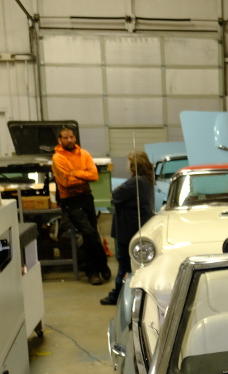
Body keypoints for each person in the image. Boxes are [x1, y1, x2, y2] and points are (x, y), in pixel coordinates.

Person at [52, 126, 111, 285]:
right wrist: (82, 176)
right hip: (70, 201)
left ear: (75, 138)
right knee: (89, 232)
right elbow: (65, 182)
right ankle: (100, 265)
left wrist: (74, 173)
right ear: (60, 140)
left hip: (86, 197)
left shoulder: (84, 154)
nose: (69, 140)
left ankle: (94, 272)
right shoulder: (58, 158)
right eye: (65, 138)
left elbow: (94, 175)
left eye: (71, 137)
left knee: (92, 234)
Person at [101, 151, 155, 305]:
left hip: (127, 229)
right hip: (137, 227)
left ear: (133, 165)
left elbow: (115, 195)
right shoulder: (147, 180)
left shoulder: (135, 181)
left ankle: (116, 296)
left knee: (123, 264)